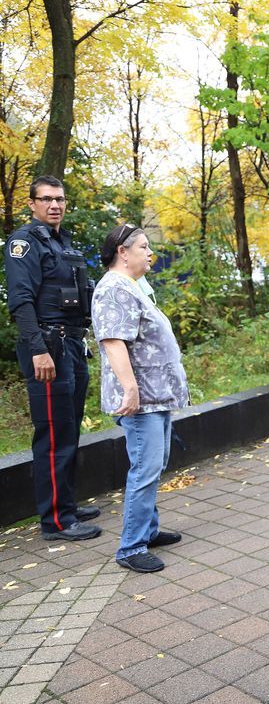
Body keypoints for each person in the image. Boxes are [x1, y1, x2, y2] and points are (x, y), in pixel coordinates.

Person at [4, 175, 101, 540]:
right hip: (48, 348)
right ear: (32, 204)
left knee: (69, 428)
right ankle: (56, 522)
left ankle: (67, 505)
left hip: (72, 346)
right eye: (46, 199)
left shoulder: (62, 243)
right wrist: (39, 350)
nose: (54, 205)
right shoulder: (24, 243)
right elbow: (21, 301)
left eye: (59, 199)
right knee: (53, 434)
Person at [91, 223, 189, 572]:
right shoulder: (113, 289)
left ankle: (147, 530)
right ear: (123, 251)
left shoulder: (130, 286)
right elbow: (113, 341)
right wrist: (130, 389)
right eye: (144, 247)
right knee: (145, 469)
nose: (151, 254)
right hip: (142, 398)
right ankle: (131, 548)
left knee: (154, 464)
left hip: (155, 395)